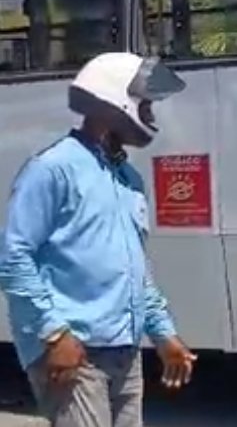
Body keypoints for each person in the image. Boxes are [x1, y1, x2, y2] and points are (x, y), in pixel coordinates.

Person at [0, 52, 198, 427]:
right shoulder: (52, 170)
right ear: (114, 103)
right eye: (146, 105)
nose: (152, 116)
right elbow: (14, 258)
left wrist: (163, 333)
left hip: (124, 351)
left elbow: (135, 271)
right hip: (74, 350)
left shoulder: (128, 181)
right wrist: (54, 334)